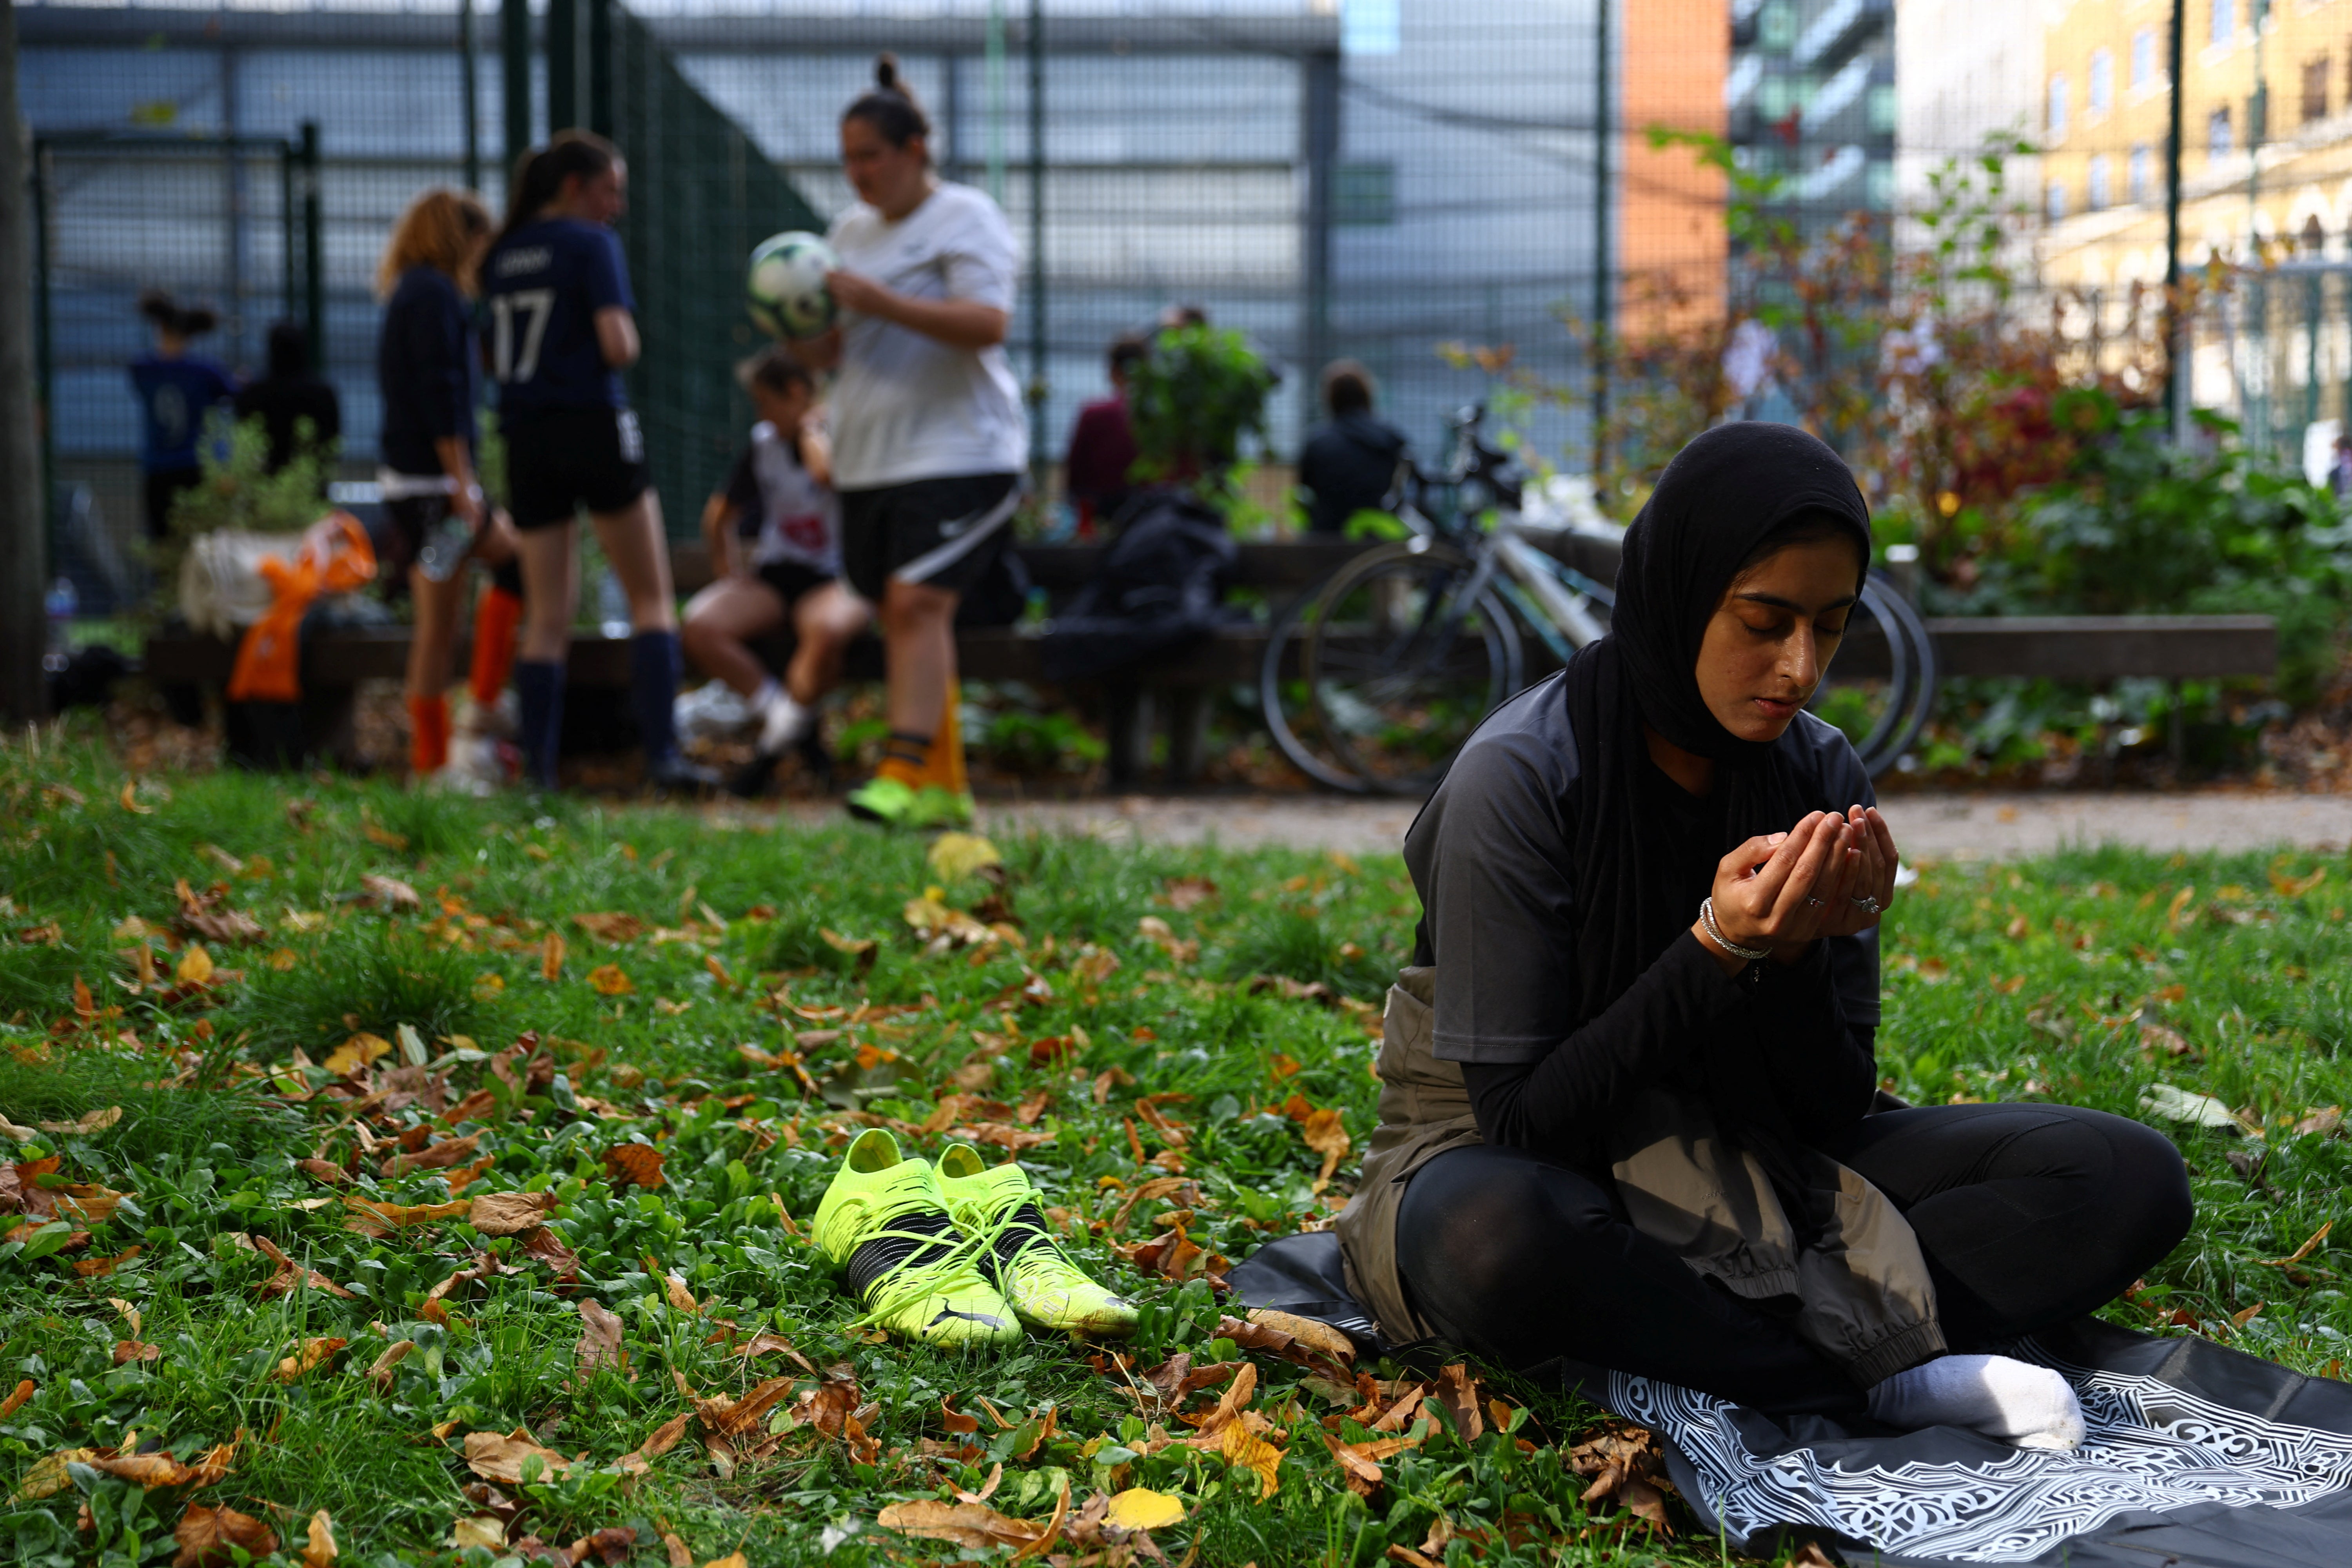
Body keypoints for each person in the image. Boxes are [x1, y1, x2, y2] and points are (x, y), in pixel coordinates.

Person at [1335, 422, 2192, 1446]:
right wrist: (1716, 954)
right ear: (1681, 593)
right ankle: (1861, 1374)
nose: (1799, 668)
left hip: (1752, 1151)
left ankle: (1719, 1351)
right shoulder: (1519, 778)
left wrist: (1792, 961)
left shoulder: (1818, 776)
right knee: (1489, 1239)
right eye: (1764, 620)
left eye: (1831, 627)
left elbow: (1827, 1110)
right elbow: (1527, 1120)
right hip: (1516, 1151)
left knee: (2124, 1177)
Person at [789, 55, 1026, 830]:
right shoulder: (847, 232)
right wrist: (800, 333)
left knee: (916, 601)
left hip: (963, 450)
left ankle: (897, 770)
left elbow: (988, 324)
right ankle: (945, 791)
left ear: (915, 149)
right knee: (907, 615)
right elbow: (837, 350)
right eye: (848, 159)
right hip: (870, 457)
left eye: (872, 156)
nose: (858, 173)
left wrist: (881, 301)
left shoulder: (966, 217)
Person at [483, 131, 714, 793]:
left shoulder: (502, 251)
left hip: (527, 435)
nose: (617, 206)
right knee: (651, 597)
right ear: (575, 188)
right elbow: (618, 344)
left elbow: (492, 357)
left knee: (547, 613)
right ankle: (662, 758)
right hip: (594, 426)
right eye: (611, 190)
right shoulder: (591, 246)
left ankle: (539, 775)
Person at [375, 187, 527, 785]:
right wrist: (463, 482)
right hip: (437, 492)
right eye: (480, 244)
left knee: (465, 599)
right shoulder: (434, 294)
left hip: (418, 489)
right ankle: (447, 750)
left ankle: (457, 737)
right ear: (460, 237)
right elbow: (442, 392)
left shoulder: (412, 291)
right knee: (445, 619)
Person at [681, 348, 869, 797]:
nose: (762, 414)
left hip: (830, 579)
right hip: (774, 576)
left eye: (766, 401)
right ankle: (790, 725)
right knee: (700, 624)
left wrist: (811, 427)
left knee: (827, 635)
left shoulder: (842, 434)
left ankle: (767, 755)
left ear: (797, 392)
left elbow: (824, 474)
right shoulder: (762, 445)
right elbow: (717, 518)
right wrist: (731, 575)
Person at [129, 291, 236, 542]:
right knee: (198, 541)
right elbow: (232, 395)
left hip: (158, 467)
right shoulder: (207, 373)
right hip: (195, 465)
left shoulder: (143, 370)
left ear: (160, 328)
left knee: (162, 541)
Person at [1296, 359, 1407, 535]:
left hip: (1328, 534)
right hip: (1379, 533)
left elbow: (1305, 489)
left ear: (1331, 398)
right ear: (1367, 395)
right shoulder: (1391, 438)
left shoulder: (1317, 442)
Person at [233, 321, 341, 479]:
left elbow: (244, 439)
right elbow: (332, 441)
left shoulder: (255, 393)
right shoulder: (322, 392)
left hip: (266, 481)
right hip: (310, 480)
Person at [1063, 334, 1144, 535]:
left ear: (1112, 372)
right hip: (1152, 510)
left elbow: (1076, 474)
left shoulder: (1093, 415)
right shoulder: (1162, 417)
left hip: (1104, 513)